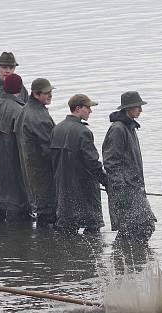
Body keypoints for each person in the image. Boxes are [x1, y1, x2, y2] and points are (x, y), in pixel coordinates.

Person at [101, 91, 157, 241]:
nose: (141, 110)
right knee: (141, 225)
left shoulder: (129, 127)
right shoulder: (118, 129)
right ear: (129, 108)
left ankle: (127, 260)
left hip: (134, 187)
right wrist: (120, 190)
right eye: (138, 106)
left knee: (138, 227)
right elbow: (111, 161)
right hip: (126, 189)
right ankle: (124, 258)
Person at [50, 94, 108, 234]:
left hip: (62, 188)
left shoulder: (56, 129)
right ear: (78, 108)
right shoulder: (84, 132)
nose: (90, 111)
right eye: (88, 107)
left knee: (67, 231)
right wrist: (106, 181)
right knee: (92, 231)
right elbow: (93, 163)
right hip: (84, 189)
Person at [0, 73, 33, 221]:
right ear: (19, 90)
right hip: (15, 171)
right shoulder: (20, 111)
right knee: (20, 217)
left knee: (0, 217)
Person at [15, 78, 57, 226]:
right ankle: (46, 245)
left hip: (31, 170)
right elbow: (49, 149)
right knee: (47, 214)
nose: (50, 95)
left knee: (42, 211)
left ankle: (40, 244)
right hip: (42, 173)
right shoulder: (38, 116)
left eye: (51, 92)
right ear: (36, 94)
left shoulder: (25, 110)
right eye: (46, 93)